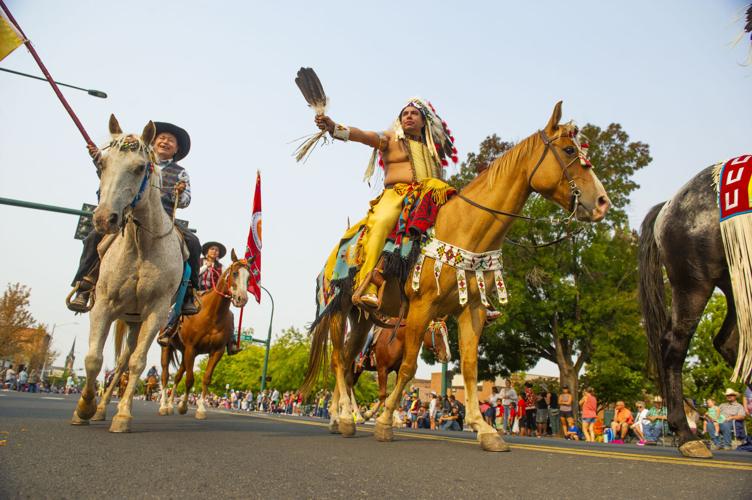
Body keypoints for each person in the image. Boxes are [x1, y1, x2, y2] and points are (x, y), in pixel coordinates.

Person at [315, 98, 456, 309]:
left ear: (424, 121)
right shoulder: (390, 139)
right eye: (405, 113)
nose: (408, 116)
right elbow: (364, 136)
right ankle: (368, 286)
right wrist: (335, 128)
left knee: (460, 225)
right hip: (396, 196)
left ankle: (471, 291)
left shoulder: (432, 152)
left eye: (414, 113)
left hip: (426, 202)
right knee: (381, 223)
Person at [69, 122, 202, 317]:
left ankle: (190, 291)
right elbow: (112, 170)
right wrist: (98, 158)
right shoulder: (135, 159)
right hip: (129, 214)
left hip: (163, 218)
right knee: (93, 237)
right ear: (152, 142)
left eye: (171, 141)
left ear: (176, 149)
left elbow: (186, 201)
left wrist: (179, 194)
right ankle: (84, 285)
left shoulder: (180, 172)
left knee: (194, 242)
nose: (165, 141)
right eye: (162, 138)